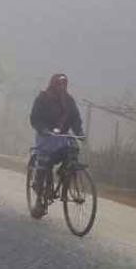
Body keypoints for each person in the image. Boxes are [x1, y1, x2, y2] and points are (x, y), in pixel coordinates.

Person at [28, 73, 83, 218]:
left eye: (64, 84)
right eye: (59, 84)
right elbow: (35, 118)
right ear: (53, 84)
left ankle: (64, 173)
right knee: (44, 163)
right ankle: (40, 198)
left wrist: (80, 132)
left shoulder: (69, 101)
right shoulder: (43, 98)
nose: (62, 87)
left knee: (73, 149)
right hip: (46, 137)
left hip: (62, 138)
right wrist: (44, 129)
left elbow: (75, 119)